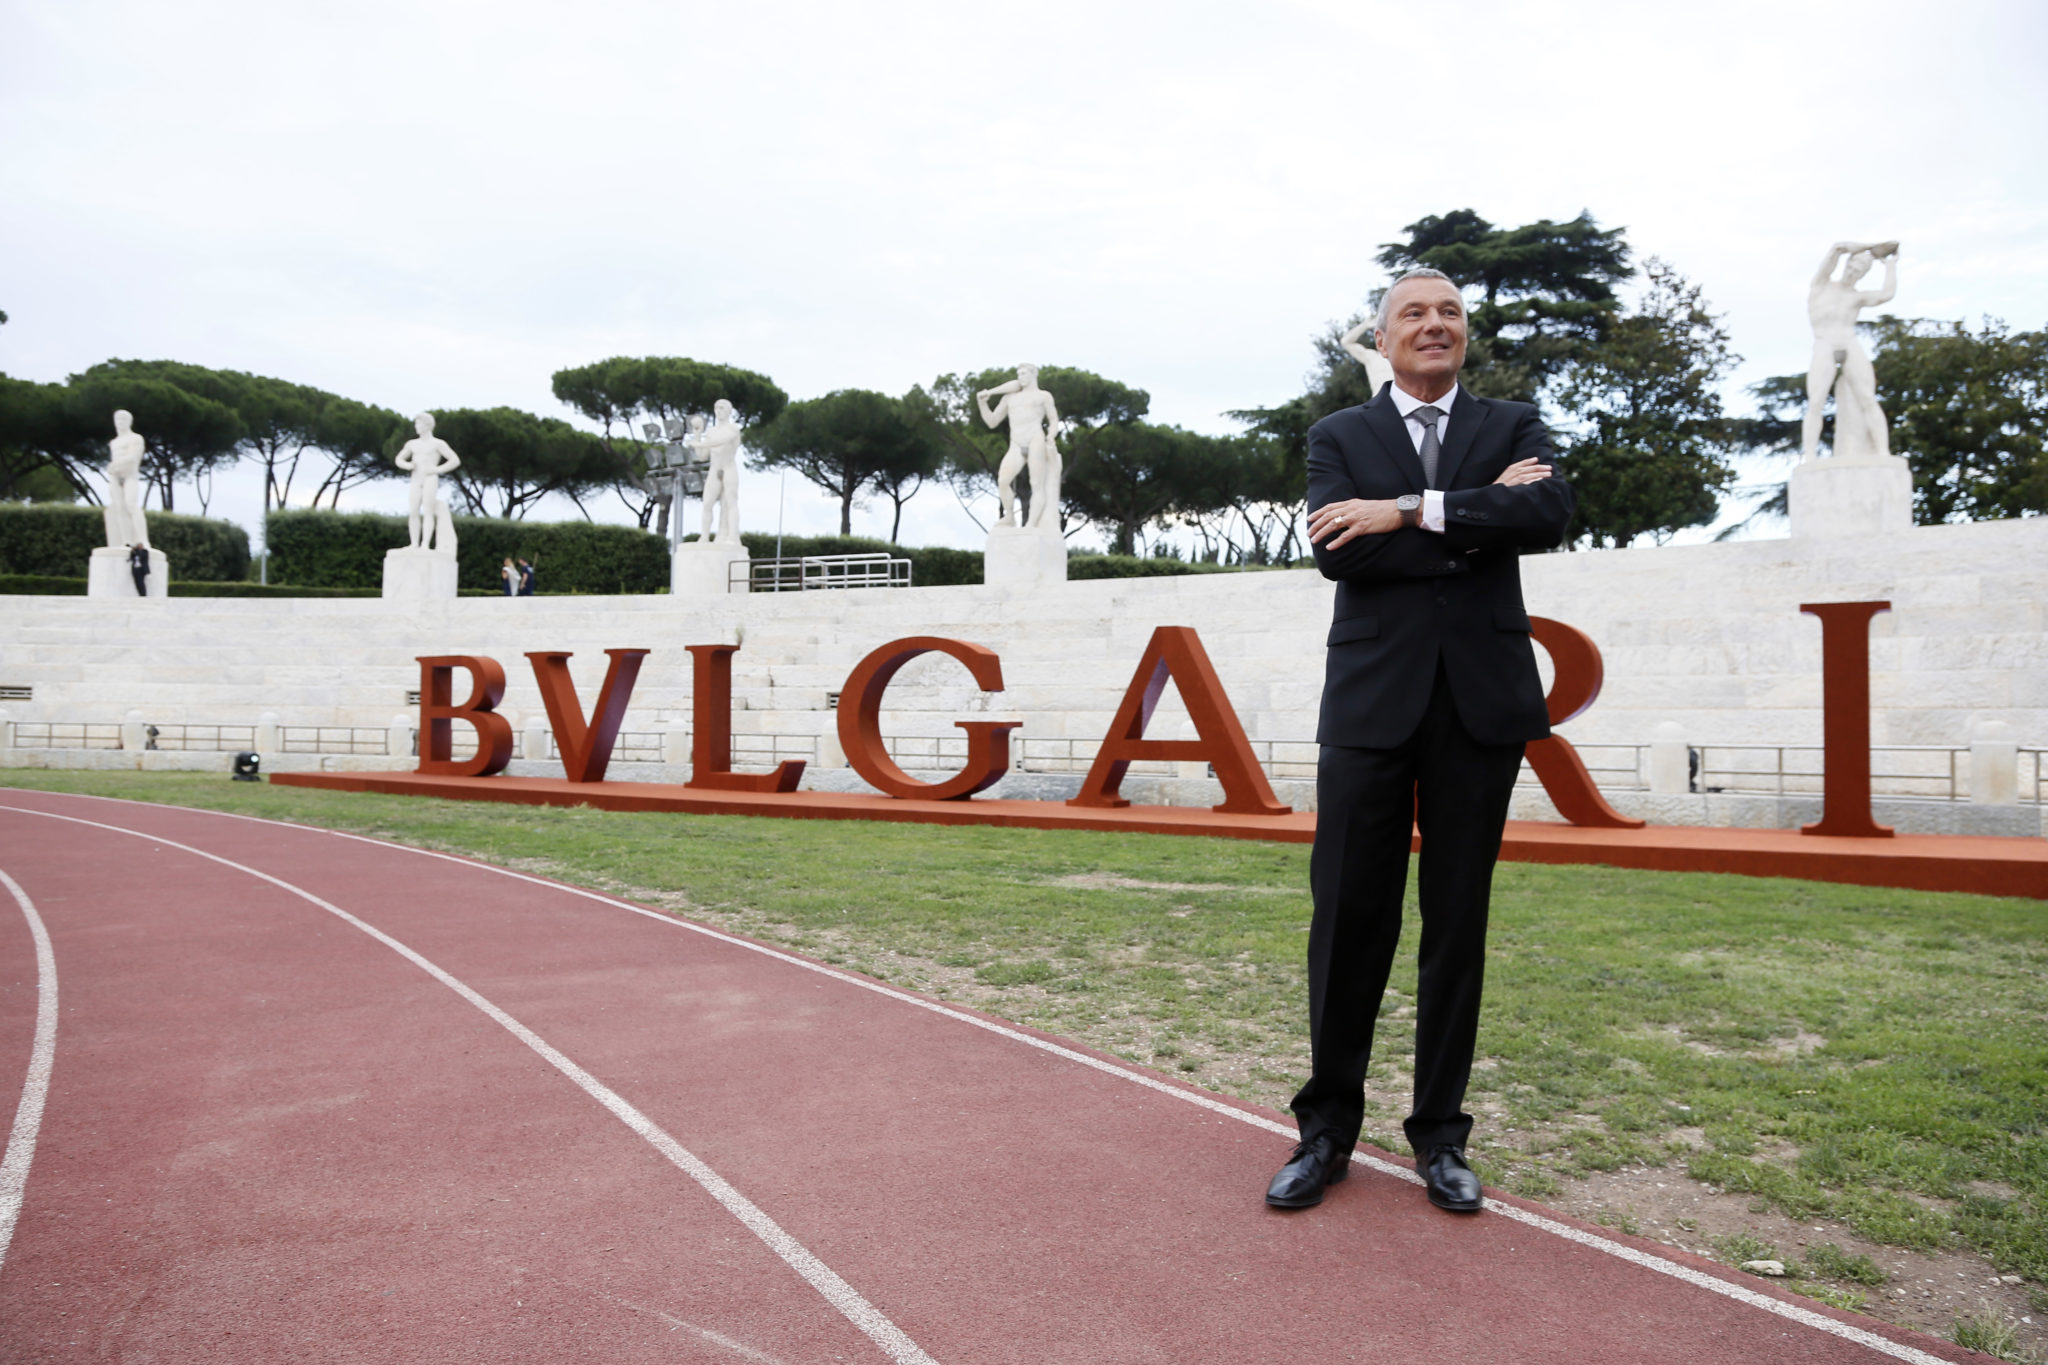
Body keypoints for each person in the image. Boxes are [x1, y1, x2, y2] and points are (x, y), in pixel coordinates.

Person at [1266, 266, 1574, 1215]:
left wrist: (1405, 509)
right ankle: (1325, 1132)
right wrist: (1480, 514)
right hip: (1370, 707)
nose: (1433, 324)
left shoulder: (1514, 425)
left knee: (1457, 922)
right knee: (1347, 919)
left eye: (1449, 312)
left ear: (1465, 331)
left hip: (1480, 706)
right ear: (1384, 336)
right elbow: (1338, 550)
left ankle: (1441, 1136)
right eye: (1414, 312)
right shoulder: (1338, 435)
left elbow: (1547, 515)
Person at [1802, 241, 1899, 462]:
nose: (1853, 272)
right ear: (1846, 265)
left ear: (1863, 274)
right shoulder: (1821, 285)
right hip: (1824, 342)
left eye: (1860, 270)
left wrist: (1891, 266)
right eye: (1852, 267)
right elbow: (1837, 248)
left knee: (1867, 397)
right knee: (1816, 401)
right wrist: (1874, 248)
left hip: (1848, 341)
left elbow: (1886, 294)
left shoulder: (1856, 297)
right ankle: (1810, 455)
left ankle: (1882, 451)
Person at [975, 365, 1063, 530]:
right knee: (1003, 481)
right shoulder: (1009, 398)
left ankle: (1031, 524)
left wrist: (1051, 436)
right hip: (1016, 443)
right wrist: (982, 404)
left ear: (1033, 374)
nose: (1020, 377)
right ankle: (1009, 516)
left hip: (1035, 439)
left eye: (1023, 373)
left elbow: (1053, 420)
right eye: (1018, 374)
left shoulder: (1043, 396)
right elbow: (992, 422)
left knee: (1036, 484)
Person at [392, 413, 462, 550]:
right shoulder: (412, 444)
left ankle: (425, 544)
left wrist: (436, 469)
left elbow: (455, 460)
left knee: (428, 511)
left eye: (418, 424)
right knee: (413, 511)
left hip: (430, 478)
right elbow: (398, 459)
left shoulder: (438, 444)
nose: (416, 427)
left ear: (427, 425)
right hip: (416, 478)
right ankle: (414, 543)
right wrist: (407, 465)